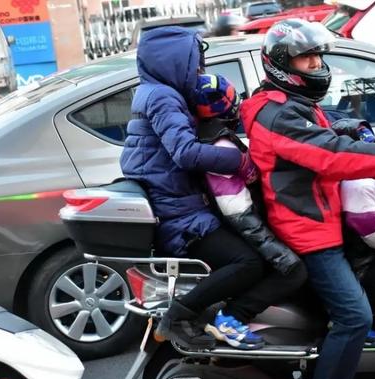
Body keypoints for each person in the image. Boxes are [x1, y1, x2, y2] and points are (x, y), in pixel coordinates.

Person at [240, 19, 375, 379]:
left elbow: (326, 133)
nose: (315, 64)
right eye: (305, 58)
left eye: (317, 56)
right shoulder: (277, 115)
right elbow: (328, 154)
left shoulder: (290, 105)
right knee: (354, 317)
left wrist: (357, 131)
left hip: (321, 218)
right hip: (308, 231)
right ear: (280, 64)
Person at [120, 26, 280, 351]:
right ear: (175, 62)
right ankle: (182, 316)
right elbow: (185, 152)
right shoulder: (163, 97)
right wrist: (241, 161)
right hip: (181, 217)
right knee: (250, 262)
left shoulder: (154, 92)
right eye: (195, 64)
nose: (200, 72)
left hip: (180, 204)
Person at [195, 72, 307, 340]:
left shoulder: (213, 139)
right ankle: (234, 316)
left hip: (241, 220)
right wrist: (273, 248)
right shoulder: (222, 147)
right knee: (294, 270)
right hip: (239, 227)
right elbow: (237, 210)